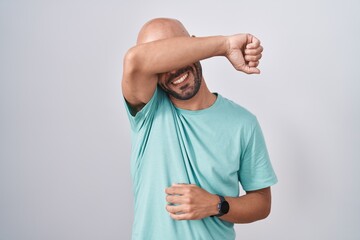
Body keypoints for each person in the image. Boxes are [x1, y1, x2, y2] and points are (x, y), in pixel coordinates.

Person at [121, 18, 278, 240]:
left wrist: (217, 204)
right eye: (162, 59)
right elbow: (135, 60)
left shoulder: (243, 123)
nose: (173, 67)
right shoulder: (147, 112)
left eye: (179, 50)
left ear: (194, 46)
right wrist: (225, 46)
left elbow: (261, 203)